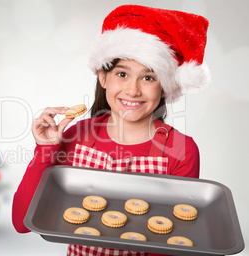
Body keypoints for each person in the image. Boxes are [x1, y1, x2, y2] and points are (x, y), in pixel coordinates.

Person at [12, 4, 210, 256]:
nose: (133, 90)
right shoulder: (76, 136)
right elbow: (21, 222)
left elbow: (176, 239)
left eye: (148, 78)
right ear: (103, 77)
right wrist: (46, 150)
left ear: (165, 87)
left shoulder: (181, 150)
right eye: (122, 74)